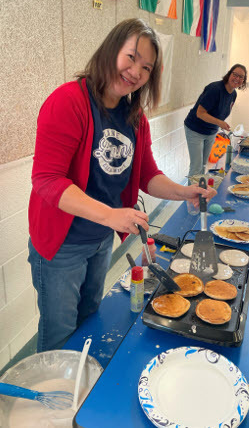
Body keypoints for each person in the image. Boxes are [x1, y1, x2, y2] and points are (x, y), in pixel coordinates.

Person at [28, 18, 218, 352]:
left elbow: (147, 175)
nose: (135, 72)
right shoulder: (68, 102)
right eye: (131, 57)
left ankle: (82, 395)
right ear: (111, 49)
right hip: (63, 245)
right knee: (58, 335)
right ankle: (55, 403)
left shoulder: (134, 117)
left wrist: (184, 191)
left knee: (89, 320)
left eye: (146, 67)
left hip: (99, 241)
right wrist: (111, 216)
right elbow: (47, 180)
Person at [183, 64, 248, 176]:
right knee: (196, 166)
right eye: (235, 74)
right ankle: (191, 193)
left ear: (243, 81)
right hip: (195, 129)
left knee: (203, 165)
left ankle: (199, 191)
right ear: (229, 74)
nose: (237, 79)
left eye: (241, 77)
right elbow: (200, 113)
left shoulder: (233, 94)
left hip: (211, 131)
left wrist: (219, 124)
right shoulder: (215, 89)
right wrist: (220, 123)